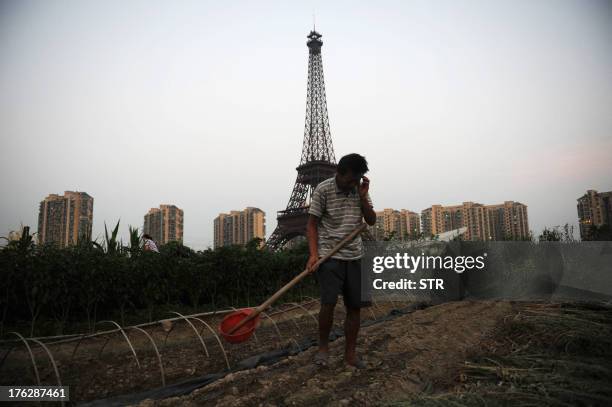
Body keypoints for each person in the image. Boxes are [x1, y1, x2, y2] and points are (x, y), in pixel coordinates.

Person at [306, 153, 377, 368]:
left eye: (356, 180)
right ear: (339, 172)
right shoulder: (323, 189)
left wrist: (363, 197)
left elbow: (371, 221)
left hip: (355, 255)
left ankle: (350, 355)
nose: (351, 185)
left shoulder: (359, 189)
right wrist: (313, 254)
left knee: (354, 307)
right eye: (348, 180)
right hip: (329, 255)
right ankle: (323, 349)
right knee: (328, 304)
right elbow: (311, 224)